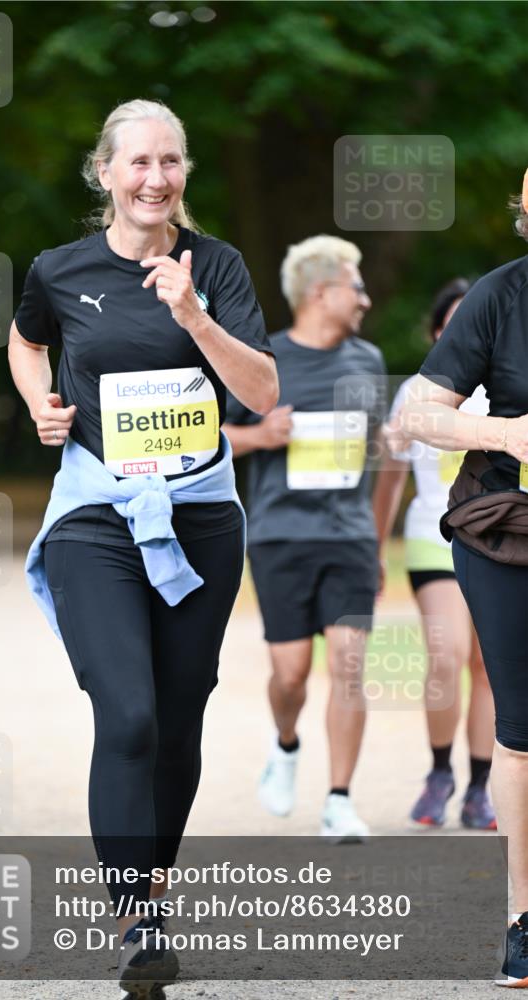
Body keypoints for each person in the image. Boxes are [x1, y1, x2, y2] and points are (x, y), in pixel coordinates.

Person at [8, 98, 278, 997]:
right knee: (126, 713)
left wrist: (196, 315)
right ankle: (134, 918)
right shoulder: (59, 267)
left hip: (199, 516)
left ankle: (152, 887)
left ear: (184, 172)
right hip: (96, 514)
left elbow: (261, 392)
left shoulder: (220, 266)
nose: (155, 178)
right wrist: (40, 402)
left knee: (178, 712)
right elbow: (25, 339)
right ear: (105, 173)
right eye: (138, 163)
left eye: (171, 162)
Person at [399, 172, 528, 988]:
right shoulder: (499, 297)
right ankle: (523, 916)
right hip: (507, 536)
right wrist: (506, 429)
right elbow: (417, 410)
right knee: (520, 725)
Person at [223, 235, 387, 842]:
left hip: (346, 537)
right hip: (279, 535)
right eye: (356, 285)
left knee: (348, 666)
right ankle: (285, 743)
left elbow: (374, 457)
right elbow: (208, 436)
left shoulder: (368, 361)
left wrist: (372, 539)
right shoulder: (264, 361)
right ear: (321, 292)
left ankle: (340, 799)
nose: (365, 298)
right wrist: (261, 436)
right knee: (290, 675)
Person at [373, 278, 497, 830]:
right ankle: (439, 772)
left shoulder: (506, 386)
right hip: (432, 536)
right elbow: (391, 475)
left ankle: (480, 786)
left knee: (487, 666)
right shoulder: (417, 393)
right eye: (449, 324)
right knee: (446, 656)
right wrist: (375, 547)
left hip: (497, 538)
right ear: (436, 333)